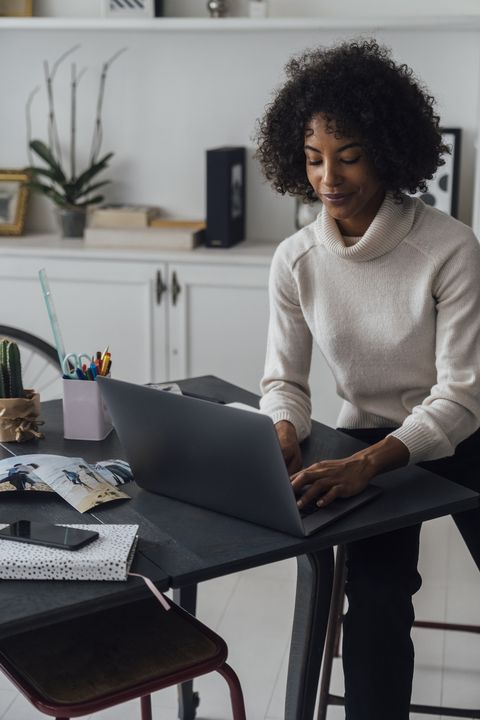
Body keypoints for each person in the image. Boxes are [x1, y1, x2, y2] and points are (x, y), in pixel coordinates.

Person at [255, 39, 480, 720]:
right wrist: (286, 429)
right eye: (315, 158)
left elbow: (462, 394)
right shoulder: (296, 260)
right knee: (379, 600)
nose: (330, 176)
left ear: (388, 151)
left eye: (349, 156)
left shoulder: (449, 248)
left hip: (464, 434)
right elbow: (283, 380)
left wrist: (368, 465)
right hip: (362, 434)